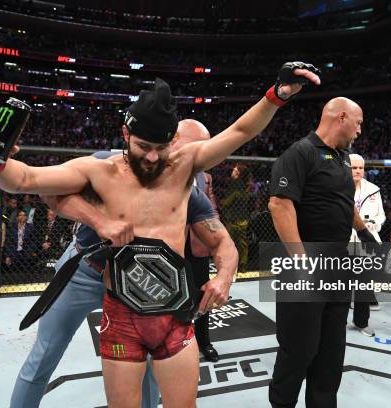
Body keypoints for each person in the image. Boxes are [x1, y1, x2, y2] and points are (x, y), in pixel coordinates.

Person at [0, 65, 318, 407]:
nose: (151, 156)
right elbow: (27, 180)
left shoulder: (184, 169)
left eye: (160, 147)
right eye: (143, 145)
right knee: (46, 353)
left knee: (155, 378)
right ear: (126, 134)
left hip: (153, 294)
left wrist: (278, 95)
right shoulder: (100, 169)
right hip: (86, 269)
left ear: (173, 140)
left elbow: (239, 132)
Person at [12, 123, 237, 407]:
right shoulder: (108, 164)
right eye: (196, 148)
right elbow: (47, 192)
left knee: (152, 362)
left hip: (142, 285)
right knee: (45, 353)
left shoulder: (188, 186)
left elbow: (222, 240)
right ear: (172, 139)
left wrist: (225, 276)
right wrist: (98, 221)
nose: (202, 157)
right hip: (86, 270)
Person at [268, 97, 378, 408]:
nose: (359, 131)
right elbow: (279, 205)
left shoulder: (343, 159)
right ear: (342, 117)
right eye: (357, 123)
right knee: (298, 349)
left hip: (337, 263)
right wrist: (300, 259)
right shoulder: (300, 152)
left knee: (331, 350)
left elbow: (344, 203)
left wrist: (364, 232)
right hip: (304, 263)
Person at [176, 119, 222, 362]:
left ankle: (204, 342)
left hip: (198, 245)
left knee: (203, 295)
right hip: (171, 245)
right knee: (172, 296)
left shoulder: (205, 177)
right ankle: (176, 344)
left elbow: (211, 209)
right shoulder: (165, 170)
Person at [348, 153, 384, 337]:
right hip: (344, 241)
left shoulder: (373, 189)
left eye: (361, 168)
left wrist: (373, 224)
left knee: (364, 283)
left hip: (366, 241)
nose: (358, 171)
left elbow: (381, 215)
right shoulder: (337, 187)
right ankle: (336, 321)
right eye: (354, 167)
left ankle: (361, 322)